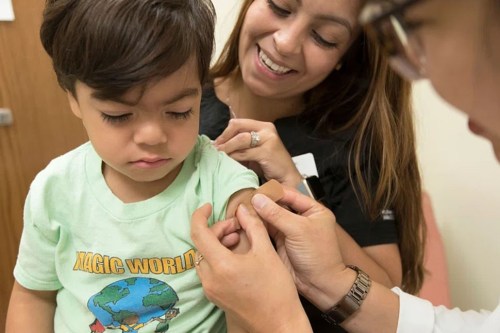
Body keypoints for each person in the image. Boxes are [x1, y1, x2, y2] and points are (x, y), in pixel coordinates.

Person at [191, 0, 500, 331]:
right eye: (280, 6)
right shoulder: (178, 103)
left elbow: (387, 289)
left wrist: (299, 185)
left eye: (323, 37)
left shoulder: (350, 147)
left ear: (346, 57)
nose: (285, 43)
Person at [5, 0, 260, 332]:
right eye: (118, 115)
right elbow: (33, 296)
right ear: (73, 98)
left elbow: (251, 305)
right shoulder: (55, 188)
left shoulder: (224, 186)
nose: (152, 136)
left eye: (179, 110)